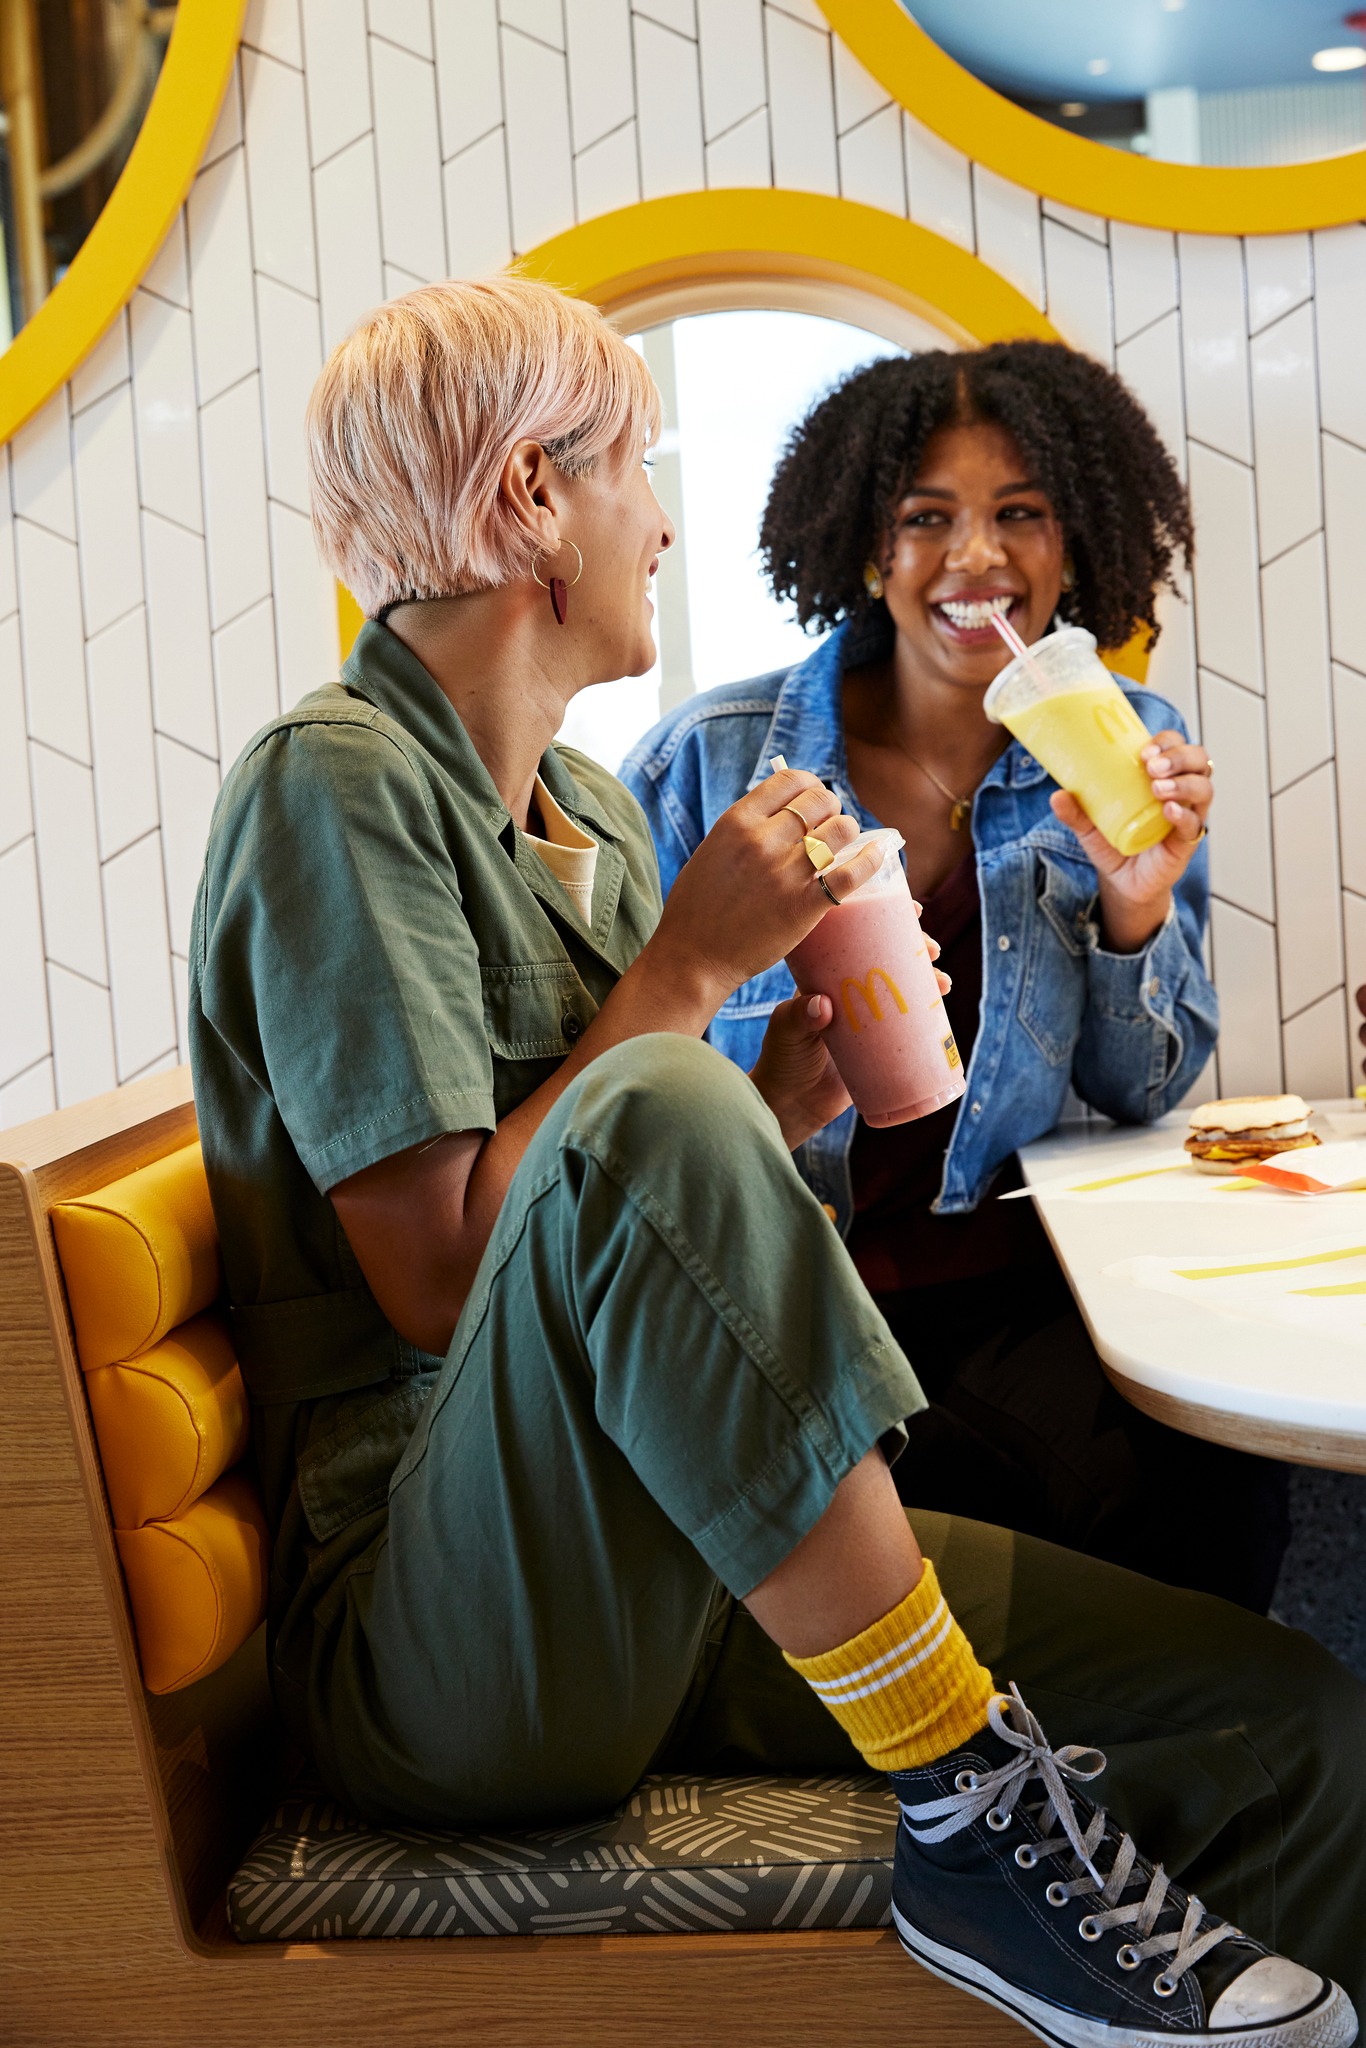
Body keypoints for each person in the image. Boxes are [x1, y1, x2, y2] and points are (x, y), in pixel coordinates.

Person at [188, 277, 1363, 2040]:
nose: (662, 523)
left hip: (671, 1547)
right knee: (663, 1102)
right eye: (636, 469)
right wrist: (685, 979)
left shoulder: (583, 811)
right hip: (443, 1628)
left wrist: (782, 1099)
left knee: (1293, 1720)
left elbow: (612, 1201)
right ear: (531, 498)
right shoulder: (332, 785)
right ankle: (968, 1804)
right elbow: (440, 1280)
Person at [622, 342, 1290, 1616]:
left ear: (1072, 541)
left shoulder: (1131, 743)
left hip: (1014, 1288)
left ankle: (1148, 1745)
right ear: (868, 546)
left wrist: (1136, 898)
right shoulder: (707, 764)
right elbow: (629, 1083)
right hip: (786, 1300)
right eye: (927, 518)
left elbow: (1142, 1085)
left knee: (1217, 1486)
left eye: (1018, 514)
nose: (976, 557)